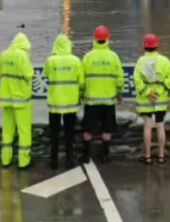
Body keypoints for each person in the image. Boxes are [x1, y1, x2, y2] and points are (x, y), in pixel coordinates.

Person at [81, 25, 123, 163]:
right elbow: (119, 78)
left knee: (88, 129)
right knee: (107, 129)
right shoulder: (113, 57)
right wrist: (119, 92)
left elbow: (81, 80)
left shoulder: (87, 57)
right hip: (108, 101)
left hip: (91, 100)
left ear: (94, 38)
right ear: (107, 39)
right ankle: (105, 155)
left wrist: (81, 94)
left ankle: (86, 155)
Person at [44, 34, 84, 169]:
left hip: (54, 102)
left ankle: (53, 160)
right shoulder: (75, 61)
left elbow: (46, 74)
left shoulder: (50, 61)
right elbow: (82, 82)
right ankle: (69, 160)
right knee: (69, 133)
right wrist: (80, 94)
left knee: (54, 132)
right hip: (70, 103)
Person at [134, 33, 170, 164]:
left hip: (146, 100)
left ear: (144, 46)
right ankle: (161, 156)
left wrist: (148, 92)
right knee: (160, 126)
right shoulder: (165, 61)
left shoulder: (141, 61)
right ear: (157, 46)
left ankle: (147, 157)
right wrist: (160, 90)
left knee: (147, 127)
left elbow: (137, 80)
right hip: (160, 99)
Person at [0, 32, 34, 168]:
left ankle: (5, 159)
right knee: (24, 131)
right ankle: (23, 162)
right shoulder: (23, 56)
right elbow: (29, 74)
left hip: (7, 99)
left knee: (7, 130)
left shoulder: (3, 54)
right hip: (21, 100)